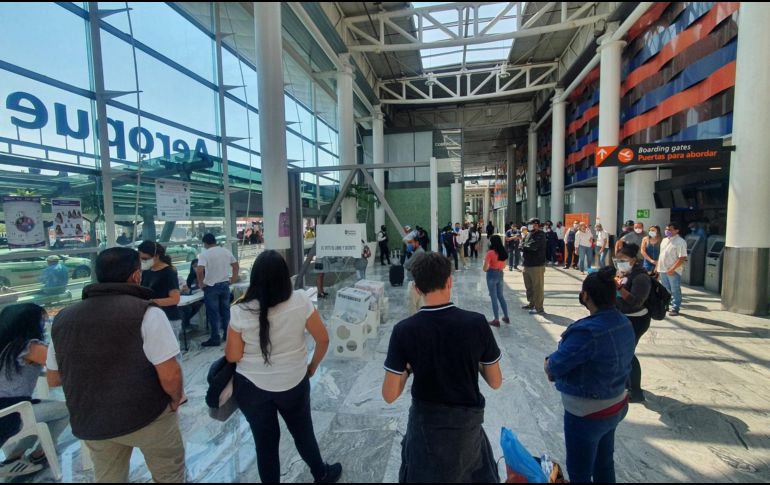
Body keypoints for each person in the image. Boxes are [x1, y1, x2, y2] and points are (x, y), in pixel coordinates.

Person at [47, 247, 186, 483]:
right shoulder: (146, 313)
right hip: (146, 415)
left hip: (93, 420)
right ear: (136, 275)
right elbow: (170, 375)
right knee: (168, 475)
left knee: (108, 477)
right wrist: (175, 398)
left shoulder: (64, 318)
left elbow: (54, 378)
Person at [382, 252, 502, 483]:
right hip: (466, 432)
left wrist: (408, 369)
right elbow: (495, 382)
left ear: (417, 289)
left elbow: (389, 395)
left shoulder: (404, 330)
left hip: (425, 432)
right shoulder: (476, 323)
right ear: (449, 281)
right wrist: (472, 357)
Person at [226, 251, 342, 484]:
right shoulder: (300, 301)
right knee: (303, 433)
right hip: (294, 381)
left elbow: (233, 355)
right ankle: (321, 474)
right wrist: (311, 367)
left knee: (265, 445)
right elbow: (323, 339)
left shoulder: (240, 311)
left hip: (252, 388)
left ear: (255, 279)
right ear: (284, 276)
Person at [545, 266, 635, 484]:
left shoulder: (587, 332)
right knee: (604, 463)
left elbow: (555, 366)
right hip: (617, 403)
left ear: (586, 296)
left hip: (588, 413)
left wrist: (549, 364)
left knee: (580, 472)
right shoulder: (624, 322)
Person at [0, 304, 69, 478]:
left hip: (8, 408)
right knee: (67, 410)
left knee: (41, 416)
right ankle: (40, 454)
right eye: (42, 320)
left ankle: (15, 458)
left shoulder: (7, 346)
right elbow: (61, 363)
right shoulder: (29, 347)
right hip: (11, 414)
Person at [614, 243, 652, 404]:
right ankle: (626, 383)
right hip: (625, 317)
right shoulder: (624, 273)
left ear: (633, 260)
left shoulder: (641, 277)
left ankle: (636, 391)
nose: (620, 263)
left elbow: (636, 301)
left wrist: (619, 289)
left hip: (637, 319)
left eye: (623, 260)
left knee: (628, 354)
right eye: (618, 260)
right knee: (623, 352)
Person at [196, 233, 239, 347]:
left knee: (213, 313)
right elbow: (235, 266)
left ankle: (215, 338)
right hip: (225, 285)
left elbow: (199, 270)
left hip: (211, 287)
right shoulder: (225, 251)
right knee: (226, 312)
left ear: (205, 243)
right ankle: (227, 335)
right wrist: (233, 278)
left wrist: (201, 283)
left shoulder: (204, 254)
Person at [138, 242, 182, 338]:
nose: (142, 261)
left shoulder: (169, 272)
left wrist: (151, 302)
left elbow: (175, 299)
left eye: (145, 259)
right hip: (151, 318)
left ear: (156, 256)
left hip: (168, 319)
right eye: (140, 258)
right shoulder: (146, 272)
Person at [657, 222, 688, 316]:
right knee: (665, 289)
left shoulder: (680, 241)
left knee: (675, 290)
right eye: (666, 229)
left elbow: (682, 257)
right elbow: (661, 254)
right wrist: (657, 266)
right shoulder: (664, 240)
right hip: (662, 269)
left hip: (673, 270)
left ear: (677, 230)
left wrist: (673, 269)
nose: (667, 231)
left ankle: (675, 308)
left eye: (670, 229)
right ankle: (666, 305)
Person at [521, 218, 547, 315]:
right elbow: (522, 244)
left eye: (533, 224)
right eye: (530, 224)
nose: (531, 226)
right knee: (529, 286)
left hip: (537, 265)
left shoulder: (541, 235)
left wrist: (524, 246)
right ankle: (531, 303)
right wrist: (524, 246)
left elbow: (533, 247)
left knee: (537, 287)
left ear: (537, 225)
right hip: (527, 264)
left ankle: (539, 307)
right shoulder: (528, 234)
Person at [484, 235, 510, 327]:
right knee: (501, 296)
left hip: (491, 274)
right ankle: (506, 317)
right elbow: (504, 266)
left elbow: (485, 268)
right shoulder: (503, 251)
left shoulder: (490, 253)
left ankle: (496, 319)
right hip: (500, 274)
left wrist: (488, 269)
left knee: (493, 297)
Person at [404, 235, 426, 315]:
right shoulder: (418, 251)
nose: (409, 245)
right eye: (408, 243)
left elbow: (406, 265)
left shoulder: (419, 252)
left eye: (410, 242)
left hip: (414, 283)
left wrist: (407, 255)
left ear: (417, 243)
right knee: (420, 306)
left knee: (412, 308)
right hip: (418, 282)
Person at [179, 260, 203, 331]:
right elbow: (188, 289)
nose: (196, 268)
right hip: (190, 297)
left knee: (199, 304)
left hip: (201, 295)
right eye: (194, 266)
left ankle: (187, 323)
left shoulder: (204, 274)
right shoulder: (191, 276)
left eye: (197, 266)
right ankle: (185, 324)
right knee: (188, 308)